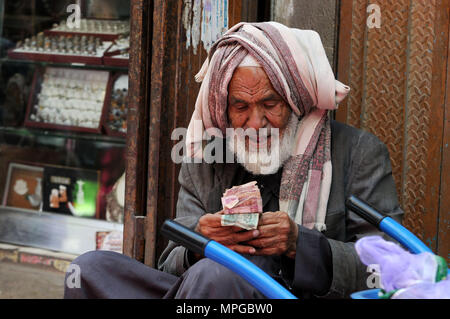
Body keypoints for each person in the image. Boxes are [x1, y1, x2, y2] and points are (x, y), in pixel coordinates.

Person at [64, 22, 403, 299]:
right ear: (224, 111)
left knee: (220, 274)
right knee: (90, 270)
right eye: (240, 107)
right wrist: (200, 242)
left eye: (270, 104)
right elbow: (170, 264)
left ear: (296, 100)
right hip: (202, 295)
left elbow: (394, 269)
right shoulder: (206, 156)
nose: (256, 123)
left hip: (293, 295)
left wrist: (302, 245)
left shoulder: (357, 153)